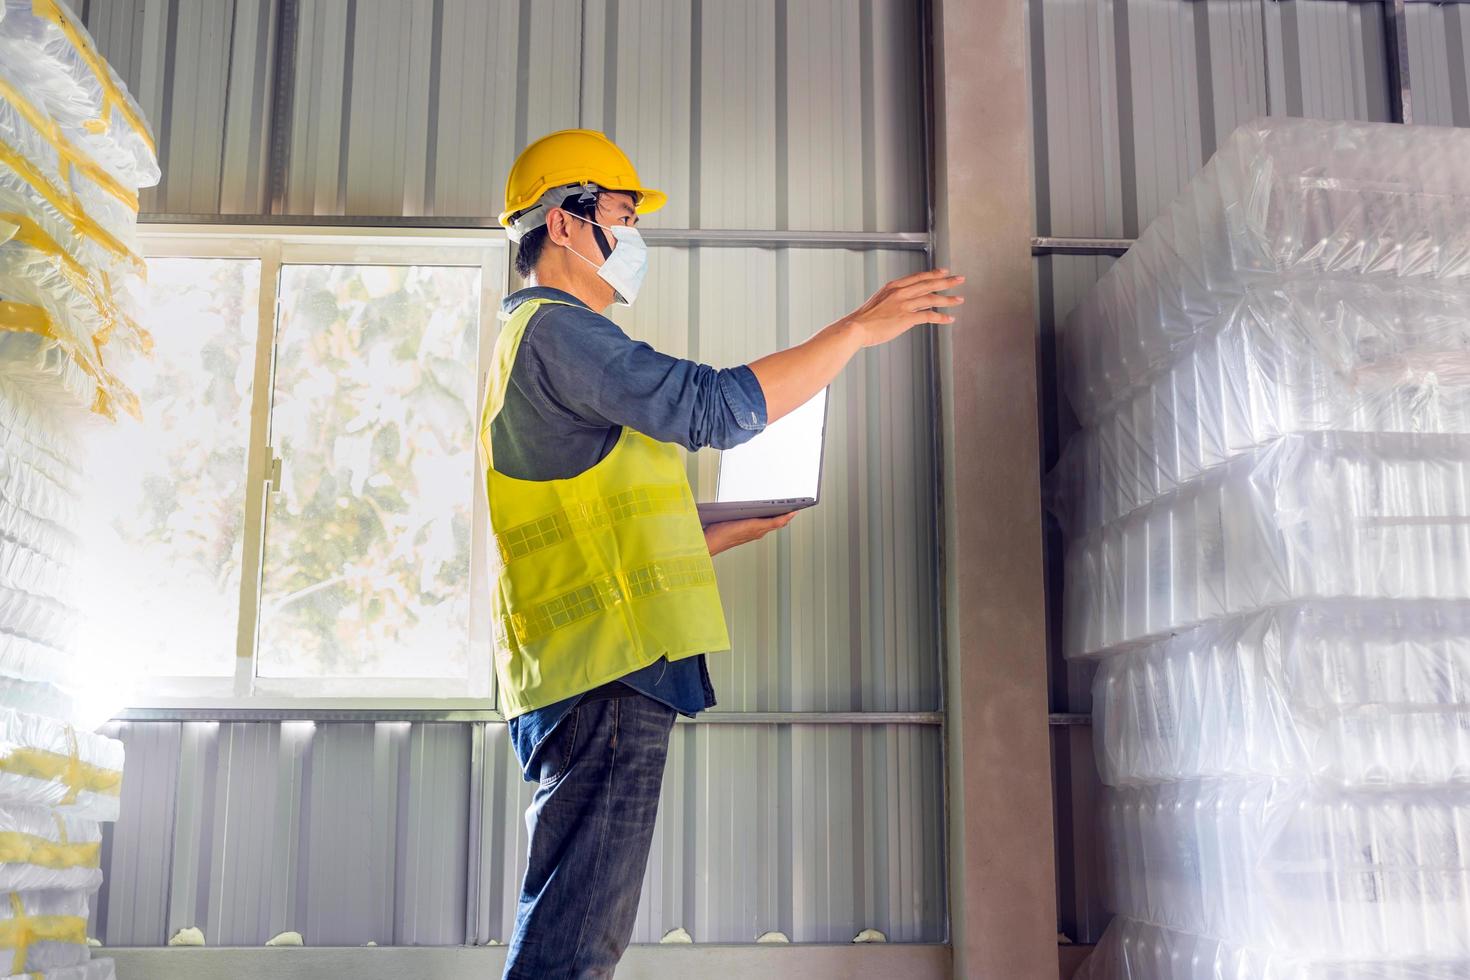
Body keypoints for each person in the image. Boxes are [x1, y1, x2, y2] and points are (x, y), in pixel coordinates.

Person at [487, 129, 963, 979]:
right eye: (624, 219)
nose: (634, 241)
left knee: (573, 928)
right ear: (565, 222)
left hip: (585, 666)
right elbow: (711, 408)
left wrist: (715, 532)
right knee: (575, 944)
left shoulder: (528, 342)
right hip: (606, 669)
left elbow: (596, 520)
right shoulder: (560, 333)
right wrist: (854, 330)